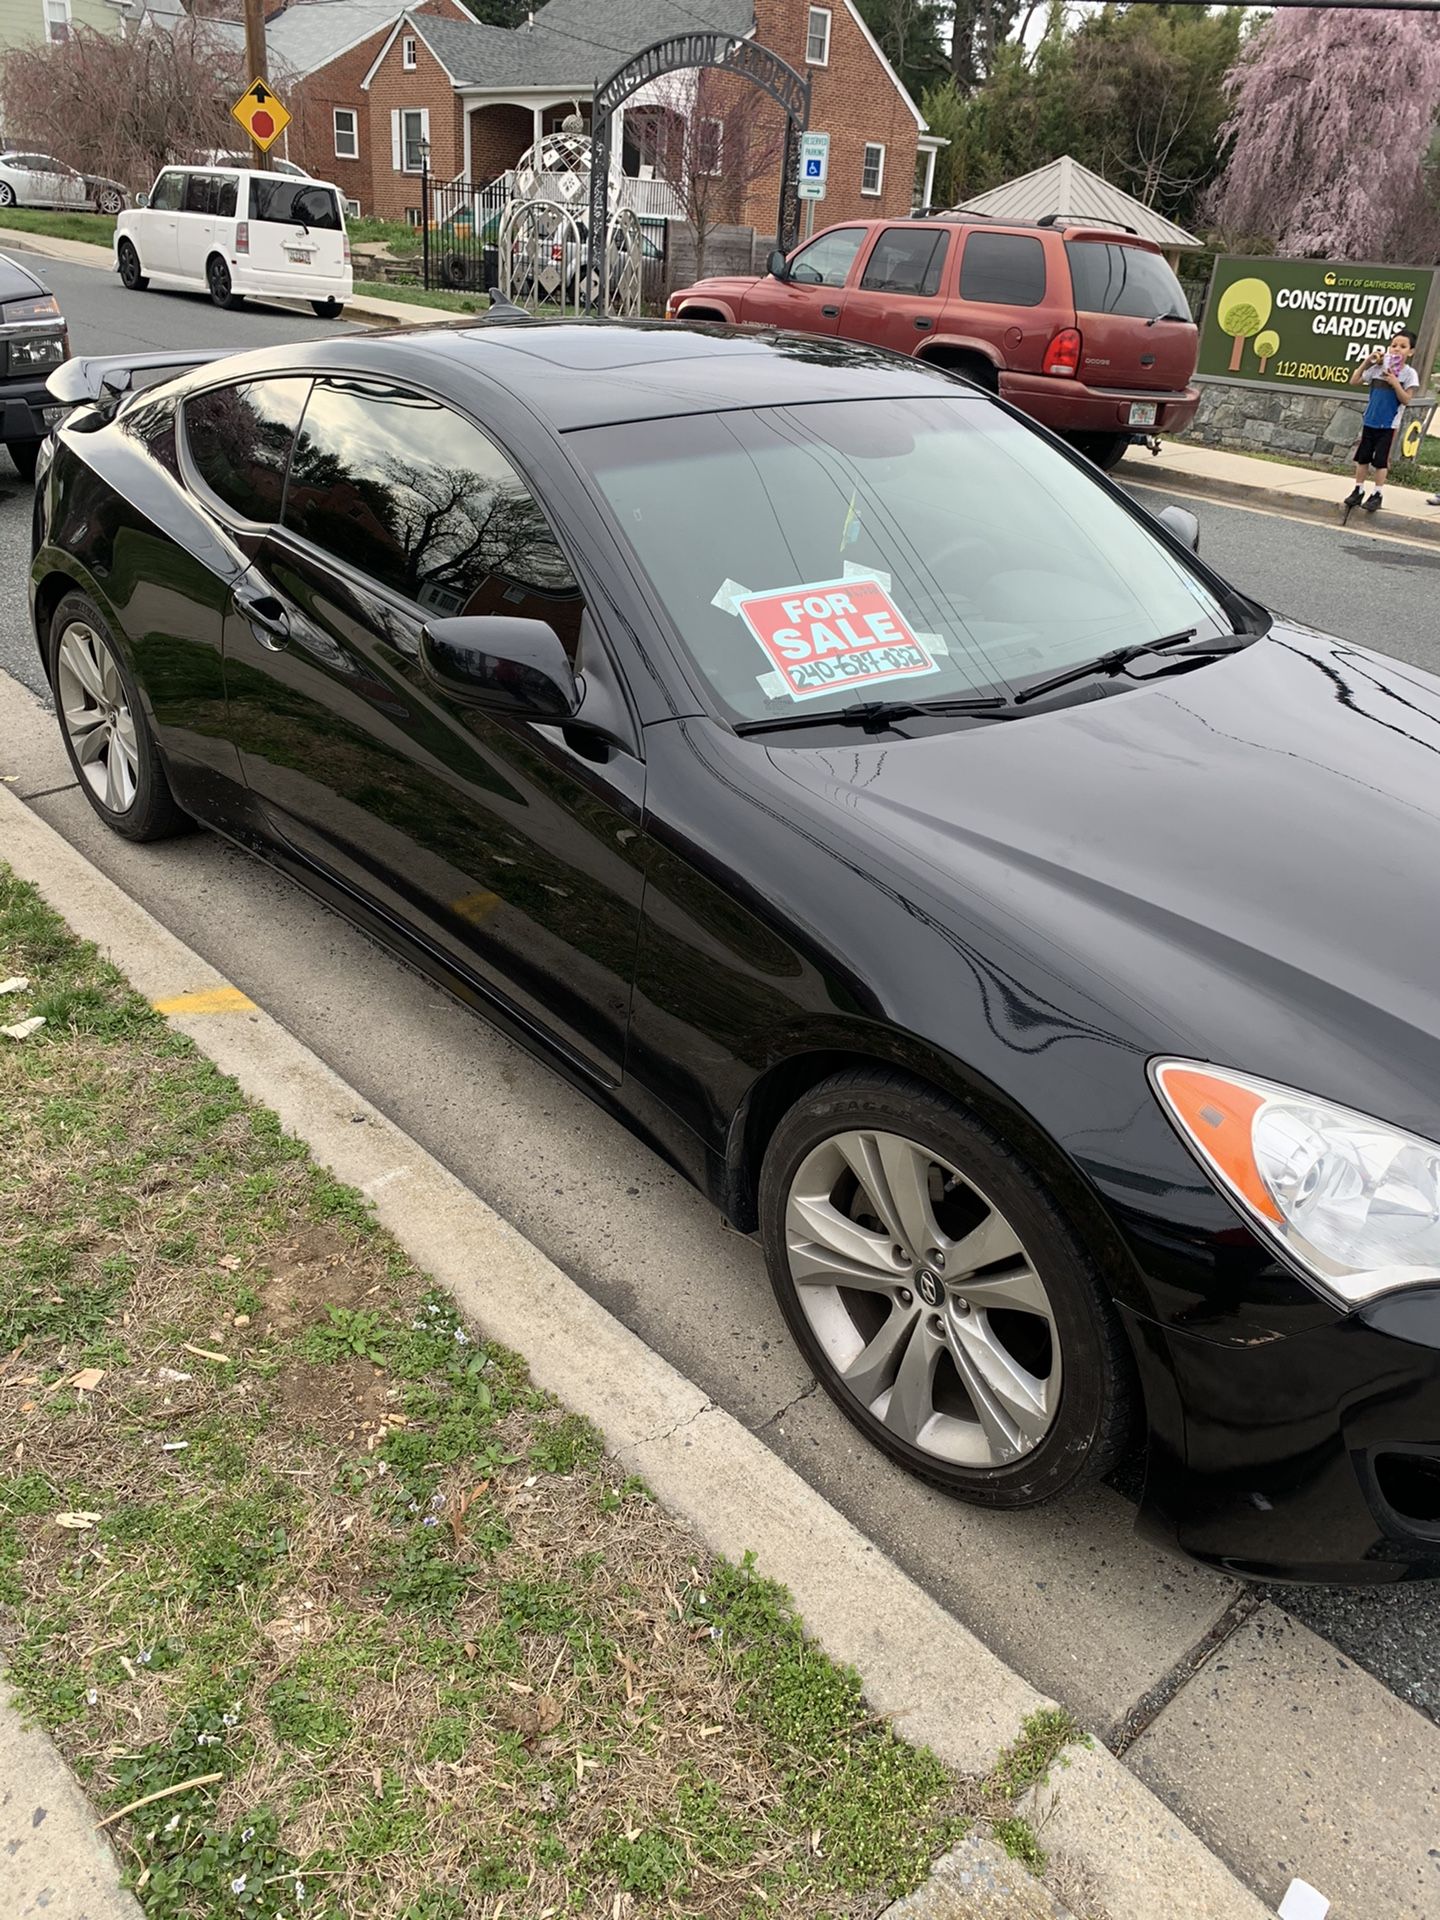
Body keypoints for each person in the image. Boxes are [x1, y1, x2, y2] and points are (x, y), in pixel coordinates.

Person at [1345, 331, 1419, 513]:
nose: (1397, 349)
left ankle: (1377, 494)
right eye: (1394, 345)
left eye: (1403, 347)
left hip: (1388, 425)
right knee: (1363, 458)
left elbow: (1406, 400)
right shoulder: (1378, 369)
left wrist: (1395, 382)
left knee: (1380, 461)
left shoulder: (1408, 374)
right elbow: (1354, 380)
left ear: (1411, 352)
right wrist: (1367, 362)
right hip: (1370, 420)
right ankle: (1358, 490)